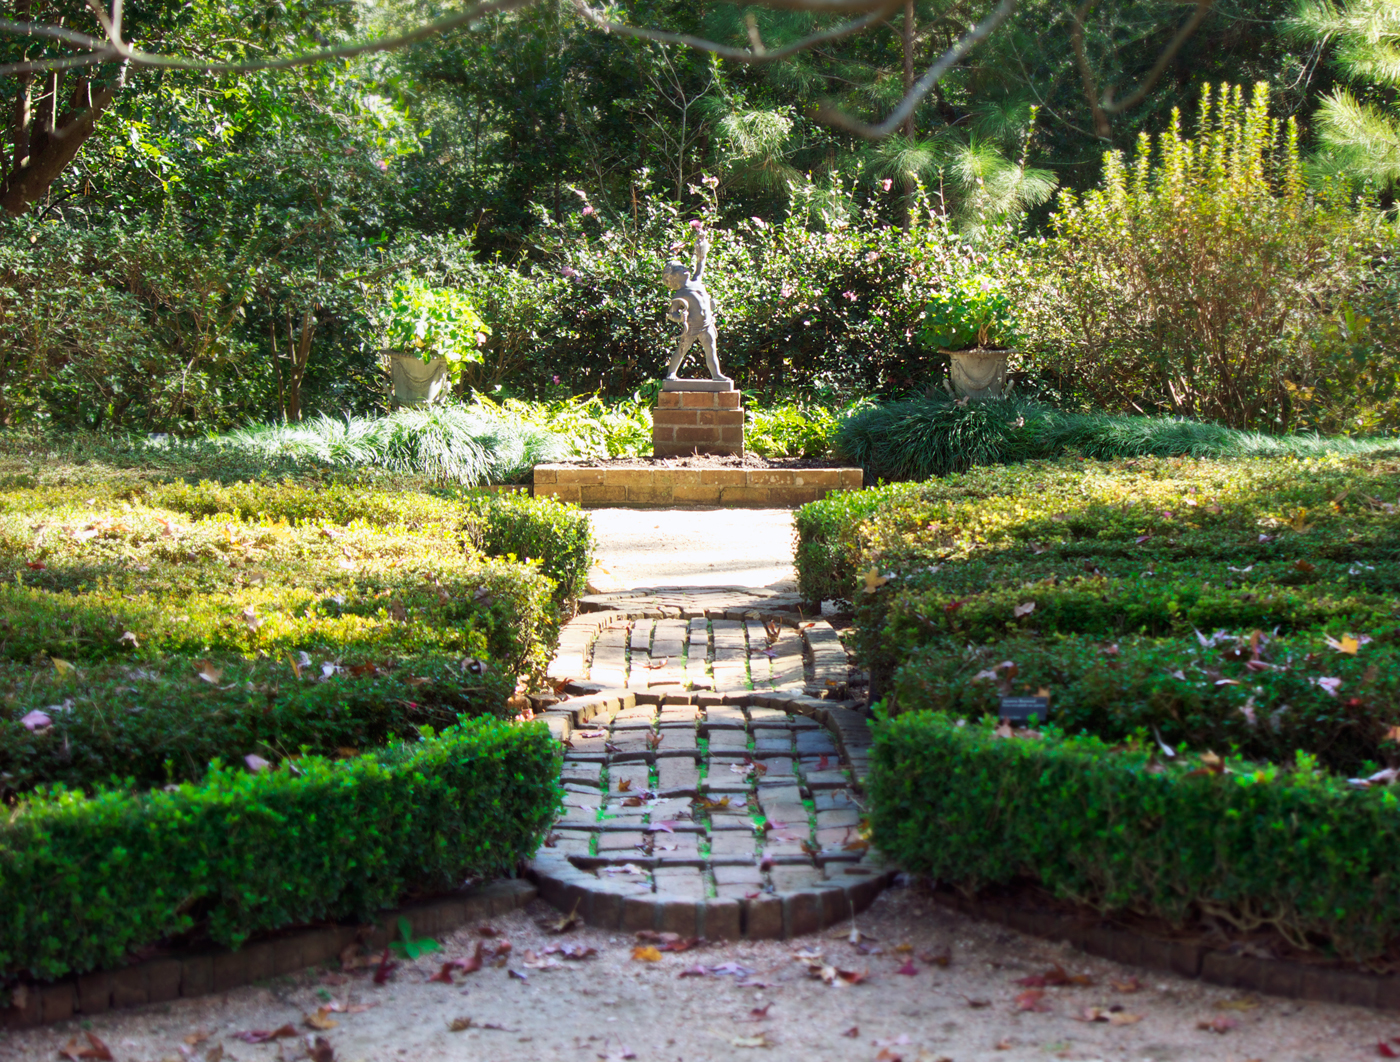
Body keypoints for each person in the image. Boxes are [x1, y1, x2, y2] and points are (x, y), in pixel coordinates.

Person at [662, 237, 731, 384]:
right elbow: (671, 313)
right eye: (680, 268)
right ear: (674, 277)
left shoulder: (697, 281)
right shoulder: (679, 294)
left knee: (711, 350)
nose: (684, 268)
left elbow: (700, 265)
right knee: (682, 349)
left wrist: (701, 252)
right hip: (692, 327)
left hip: (707, 324)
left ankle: (716, 375)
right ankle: (671, 374)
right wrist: (680, 317)